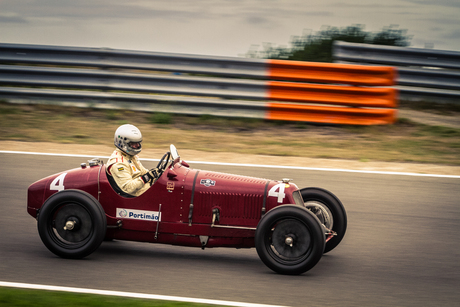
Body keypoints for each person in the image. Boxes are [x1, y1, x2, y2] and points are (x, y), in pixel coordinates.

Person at [106, 124, 160, 197]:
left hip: (143, 189)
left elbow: (143, 172)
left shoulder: (130, 156)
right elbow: (128, 187)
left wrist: (155, 175)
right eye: (133, 143)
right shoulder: (118, 163)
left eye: (138, 142)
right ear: (123, 143)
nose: (137, 145)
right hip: (136, 195)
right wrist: (146, 177)